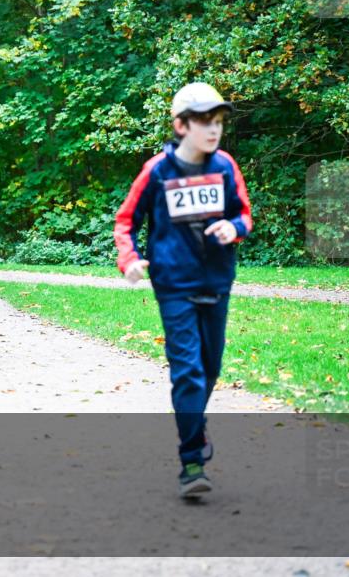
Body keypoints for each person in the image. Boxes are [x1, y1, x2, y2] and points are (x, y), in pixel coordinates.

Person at [114, 82, 252, 498]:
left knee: (210, 369)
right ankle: (192, 460)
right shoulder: (158, 171)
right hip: (173, 284)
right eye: (205, 122)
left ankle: (196, 424)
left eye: (219, 122)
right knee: (188, 370)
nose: (214, 130)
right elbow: (125, 222)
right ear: (181, 125)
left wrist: (234, 228)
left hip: (217, 281)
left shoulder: (225, 166)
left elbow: (243, 213)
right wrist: (130, 259)